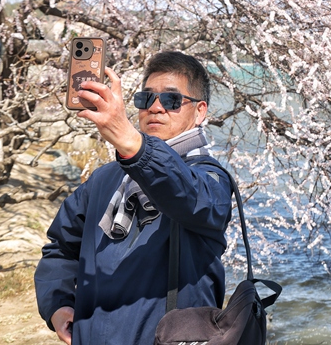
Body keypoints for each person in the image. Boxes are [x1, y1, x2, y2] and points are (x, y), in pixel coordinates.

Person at [35, 51, 233, 345]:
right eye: (145, 99)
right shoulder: (106, 179)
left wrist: (132, 144)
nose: (155, 108)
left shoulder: (210, 179)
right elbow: (62, 248)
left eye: (171, 100)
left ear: (200, 111)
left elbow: (190, 197)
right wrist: (58, 304)